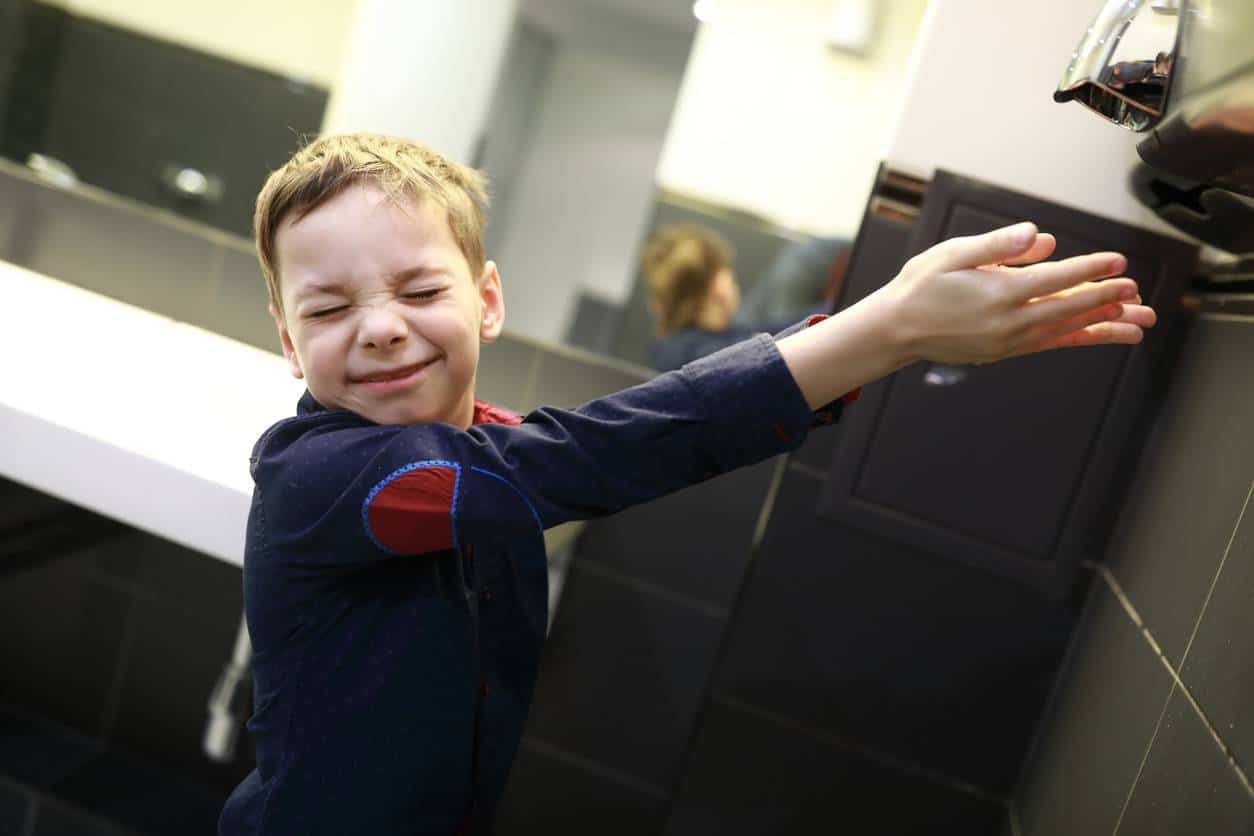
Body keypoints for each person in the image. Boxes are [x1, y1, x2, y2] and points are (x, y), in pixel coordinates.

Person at [219, 132, 1153, 836]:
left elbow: (587, 443)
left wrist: (888, 340)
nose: (381, 327)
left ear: (488, 300)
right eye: (329, 310)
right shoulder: (317, 477)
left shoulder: (481, 447)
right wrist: (889, 327)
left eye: (421, 292)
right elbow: (579, 458)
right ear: (289, 340)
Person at [641, 224, 846, 371]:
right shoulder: (715, 354)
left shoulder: (673, 347)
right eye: (728, 272)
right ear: (718, 287)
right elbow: (784, 334)